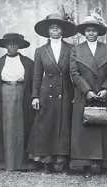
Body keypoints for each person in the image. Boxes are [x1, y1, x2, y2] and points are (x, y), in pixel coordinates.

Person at [28, 13, 76, 174]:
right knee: (46, 126)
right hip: (46, 92)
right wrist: (35, 96)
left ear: (62, 30)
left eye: (57, 27)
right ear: (48, 31)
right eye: (51, 28)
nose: (55, 30)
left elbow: (75, 72)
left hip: (66, 91)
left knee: (65, 125)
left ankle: (64, 162)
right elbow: (36, 75)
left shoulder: (71, 49)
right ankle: (47, 162)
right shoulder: (41, 50)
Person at [70, 11, 107, 177]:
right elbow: (74, 73)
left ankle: (104, 164)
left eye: (94, 30)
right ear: (84, 32)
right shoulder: (77, 50)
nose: (91, 33)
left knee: (103, 127)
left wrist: (105, 89)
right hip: (84, 95)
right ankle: (86, 165)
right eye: (88, 30)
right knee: (86, 130)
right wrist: (88, 91)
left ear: (99, 32)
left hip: (103, 94)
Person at [0, 33, 35, 171]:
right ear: (5, 46)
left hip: (22, 93)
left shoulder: (28, 63)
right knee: (6, 126)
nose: (11, 46)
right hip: (4, 92)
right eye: (9, 44)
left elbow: (34, 82)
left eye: (15, 44)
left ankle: (22, 163)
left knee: (21, 126)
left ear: (19, 46)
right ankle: (6, 163)